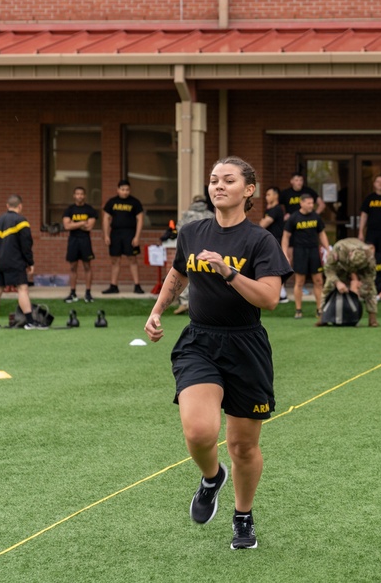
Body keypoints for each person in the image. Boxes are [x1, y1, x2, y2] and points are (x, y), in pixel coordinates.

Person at [143, 156, 291, 551]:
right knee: (199, 431)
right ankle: (211, 477)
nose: (218, 186)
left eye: (228, 180)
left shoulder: (261, 241)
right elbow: (178, 273)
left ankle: (243, 516)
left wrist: (229, 272)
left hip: (246, 346)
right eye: (213, 180)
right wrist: (157, 310)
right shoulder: (192, 233)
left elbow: (271, 298)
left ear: (248, 191)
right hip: (200, 342)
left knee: (243, 446)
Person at [0, 195, 41, 330]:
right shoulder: (21, 221)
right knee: (22, 289)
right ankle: (29, 322)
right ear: (20, 206)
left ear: (7, 206)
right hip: (15, 261)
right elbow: (26, 244)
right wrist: (30, 262)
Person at [281, 192, 330, 320]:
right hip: (300, 252)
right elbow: (286, 237)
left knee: (318, 281)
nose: (311, 205)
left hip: (314, 251)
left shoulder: (316, 217)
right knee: (300, 281)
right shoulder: (294, 217)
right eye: (308, 203)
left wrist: (328, 249)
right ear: (301, 203)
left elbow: (322, 234)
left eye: (312, 203)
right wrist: (285, 253)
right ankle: (298, 310)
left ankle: (320, 309)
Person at [171, 194, 216, 314]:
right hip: (208, 251)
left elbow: (180, 229)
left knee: (186, 274)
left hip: (190, 249)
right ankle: (204, 304)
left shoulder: (187, 215)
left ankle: (185, 303)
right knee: (205, 277)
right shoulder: (211, 215)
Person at [319, 238, 380, 327]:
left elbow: (371, 275)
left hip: (362, 269)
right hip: (341, 266)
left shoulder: (369, 257)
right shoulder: (339, 249)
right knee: (328, 286)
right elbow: (328, 269)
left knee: (370, 290)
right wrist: (337, 282)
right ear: (350, 254)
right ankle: (322, 318)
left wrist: (364, 285)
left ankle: (373, 319)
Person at [102, 179, 145, 295]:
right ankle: (113, 285)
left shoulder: (135, 202)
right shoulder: (112, 202)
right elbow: (106, 218)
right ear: (118, 190)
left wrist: (137, 237)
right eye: (122, 189)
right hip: (115, 233)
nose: (125, 192)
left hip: (130, 233)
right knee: (115, 260)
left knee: (132, 259)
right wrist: (106, 235)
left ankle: (137, 285)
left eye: (127, 190)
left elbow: (140, 219)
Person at [62, 186, 98, 304]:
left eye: (81, 194)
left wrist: (74, 223)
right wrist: (83, 222)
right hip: (73, 241)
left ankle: (88, 293)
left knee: (87, 267)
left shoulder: (90, 210)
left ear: (85, 196)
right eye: (77, 194)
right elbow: (67, 226)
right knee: (73, 267)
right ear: (74, 195)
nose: (79, 196)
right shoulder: (69, 210)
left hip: (85, 241)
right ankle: (72, 293)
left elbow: (89, 227)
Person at [258, 186, 289, 304]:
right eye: (266, 195)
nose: (267, 197)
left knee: (277, 266)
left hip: (276, 241)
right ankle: (280, 293)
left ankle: (282, 294)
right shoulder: (269, 210)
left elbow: (263, 224)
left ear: (276, 196)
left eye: (269, 194)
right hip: (270, 241)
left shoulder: (276, 209)